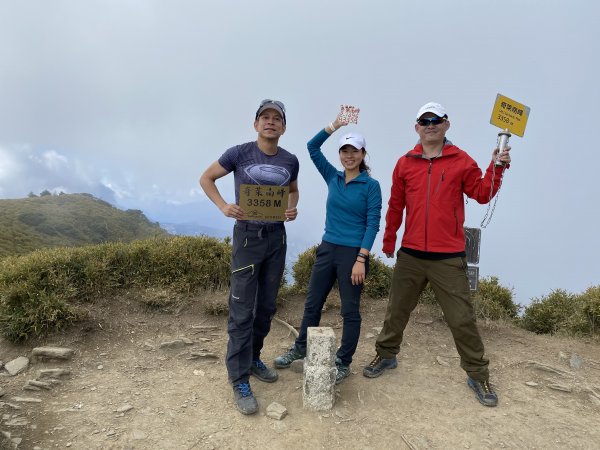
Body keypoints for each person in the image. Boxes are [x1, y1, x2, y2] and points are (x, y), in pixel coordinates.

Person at [362, 102, 511, 407]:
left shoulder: (461, 160)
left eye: (436, 120)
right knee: (396, 311)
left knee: (461, 319)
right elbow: (395, 206)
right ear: (417, 127)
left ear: (446, 124)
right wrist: (390, 241)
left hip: (448, 256)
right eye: (424, 120)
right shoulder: (405, 163)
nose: (430, 124)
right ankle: (386, 356)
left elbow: (482, 194)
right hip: (412, 254)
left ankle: (478, 374)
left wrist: (497, 166)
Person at [199, 99, 299, 415]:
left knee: (267, 306)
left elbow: (293, 189)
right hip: (247, 237)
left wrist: (292, 207)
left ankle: (253, 357)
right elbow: (206, 178)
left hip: (276, 239)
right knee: (242, 309)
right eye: (265, 117)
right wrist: (223, 206)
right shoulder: (239, 153)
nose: (271, 122)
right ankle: (239, 378)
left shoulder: (290, 160)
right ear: (255, 124)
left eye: (277, 118)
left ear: (283, 127)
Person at [274, 108, 382, 384]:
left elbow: (372, 224)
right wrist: (335, 124)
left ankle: (343, 361)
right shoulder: (332, 176)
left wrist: (361, 258)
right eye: (345, 151)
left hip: (352, 254)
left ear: (363, 154)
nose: (349, 156)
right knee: (312, 303)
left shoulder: (371, 185)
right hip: (328, 247)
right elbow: (312, 147)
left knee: (350, 310)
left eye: (354, 151)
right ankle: (300, 348)